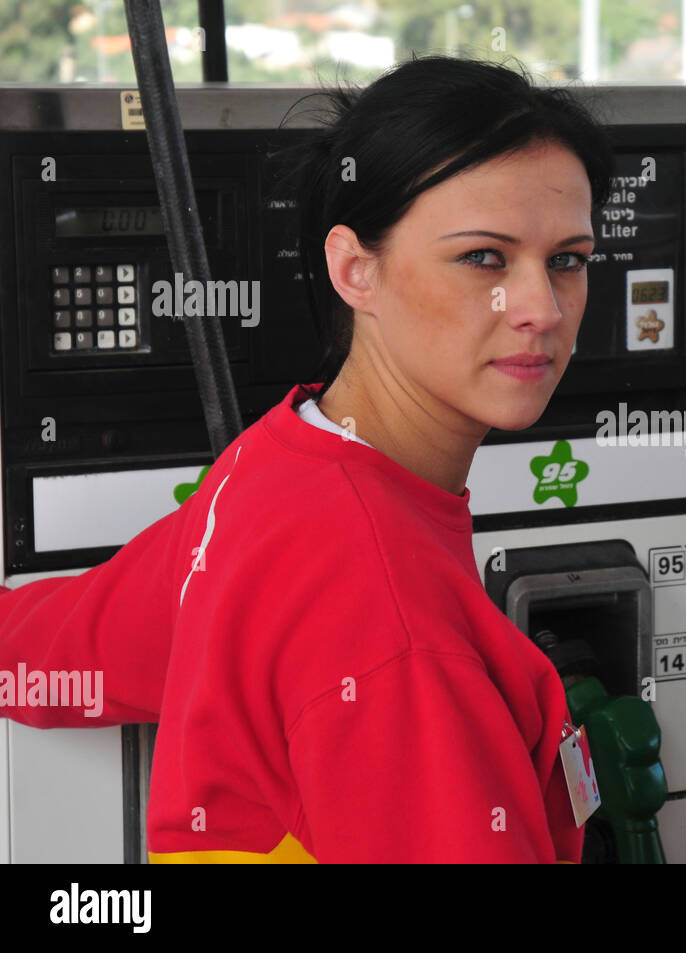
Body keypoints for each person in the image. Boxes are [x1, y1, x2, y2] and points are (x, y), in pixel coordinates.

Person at [0, 54, 615, 863]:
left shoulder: (271, 472)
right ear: (354, 269)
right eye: (484, 259)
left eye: (567, 259)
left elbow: (73, 648)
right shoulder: (398, 633)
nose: (539, 309)